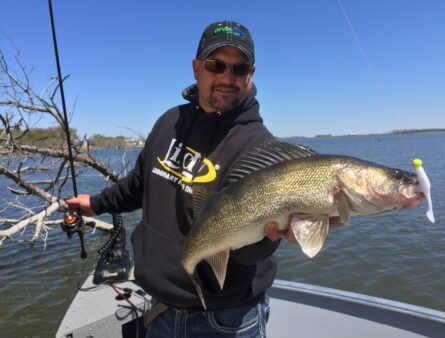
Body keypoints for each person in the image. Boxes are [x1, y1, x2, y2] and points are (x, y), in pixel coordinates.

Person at [67, 21, 338, 337]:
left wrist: (272, 236)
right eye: (216, 65)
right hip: (158, 309)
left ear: (251, 74)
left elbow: (248, 251)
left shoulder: (260, 148)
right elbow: (140, 184)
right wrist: (95, 204)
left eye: (239, 68)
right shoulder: (170, 121)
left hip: (226, 321)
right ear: (196, 68)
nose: (227, 77)